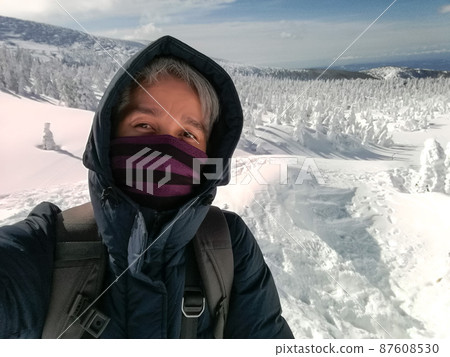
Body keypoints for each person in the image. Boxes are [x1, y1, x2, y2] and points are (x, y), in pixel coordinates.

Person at [0, 36, 293, 338]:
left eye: (188, 135)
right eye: (144, 126)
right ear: (108, 137)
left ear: (210, 155)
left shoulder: (227, 241)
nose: (166, 149)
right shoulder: (47, 244)